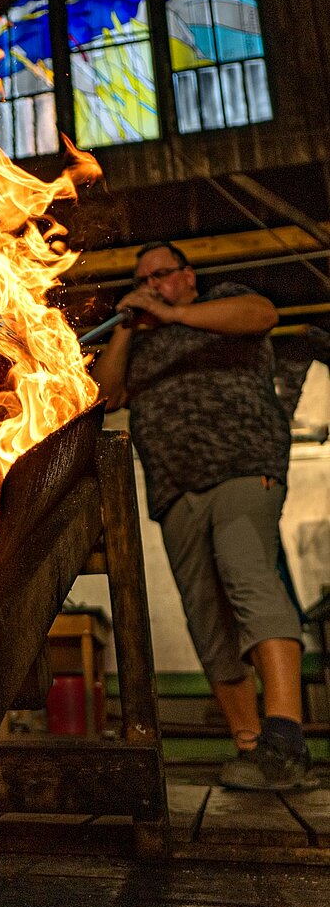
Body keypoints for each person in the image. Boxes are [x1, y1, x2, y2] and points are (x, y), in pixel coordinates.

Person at [93, 240, 316, 791]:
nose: (150, 286)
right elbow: (105, 395)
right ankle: (252, 748)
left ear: (189, 276)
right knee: (206, 616)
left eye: (161, 275)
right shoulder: (141, 345)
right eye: (142, 281)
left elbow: (263, 315)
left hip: (241, 470)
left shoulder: (225, 303)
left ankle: (285, 735)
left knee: (248, 577)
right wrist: (126, 327)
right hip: (174, 493)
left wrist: (170, 313)